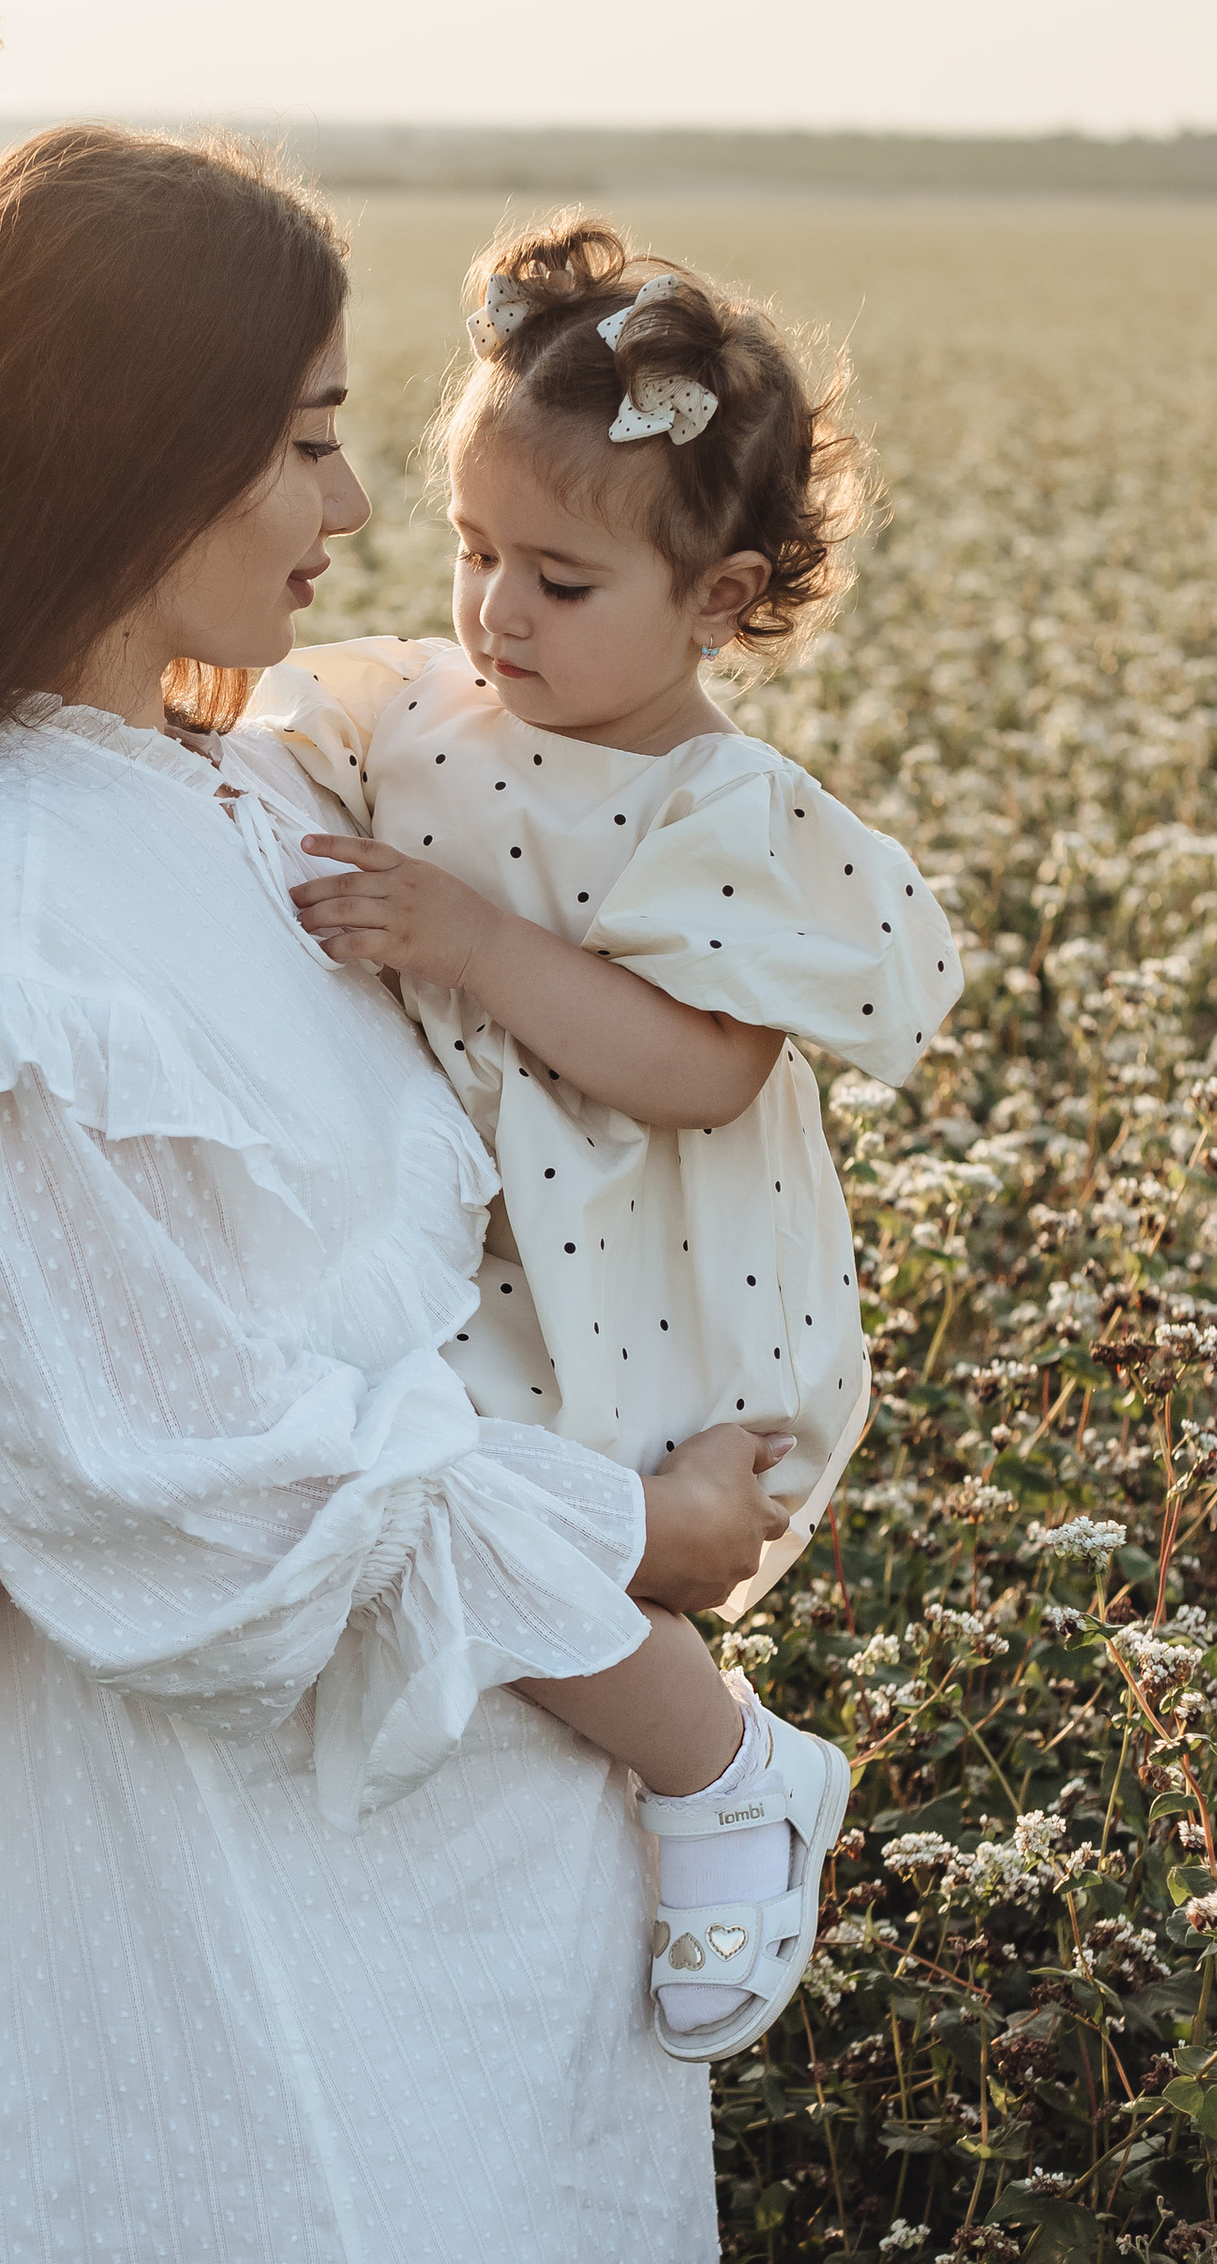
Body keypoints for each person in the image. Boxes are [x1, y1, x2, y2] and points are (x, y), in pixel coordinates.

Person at [0, 127, 783, 2264]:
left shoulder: (220, 796)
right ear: (125, 453)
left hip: (468, 1932)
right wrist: (625, 1557)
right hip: (222, 1955)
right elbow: (178, 1499)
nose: (357, 513)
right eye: (306, 440)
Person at [254, 219, 958, 2054]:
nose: (495, 611)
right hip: (471, 1246)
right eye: (473, 549)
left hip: (636, 1272)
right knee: (437, 1502)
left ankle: (728, 1774)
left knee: (519, 1520)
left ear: (720, 598)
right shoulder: (419, 711)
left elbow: (701, 1072)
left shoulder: (725, 808)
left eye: (559, 581)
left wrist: (474, 945)